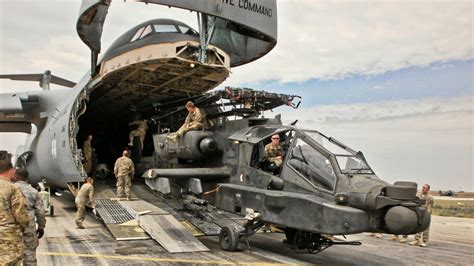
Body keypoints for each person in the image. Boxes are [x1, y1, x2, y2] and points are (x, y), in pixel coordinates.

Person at [15, 168, 46, 265]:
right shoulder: (33, 191)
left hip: (12, 226)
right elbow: (40, 212)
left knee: (11, 254)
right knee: (29, 254)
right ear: (27, 178)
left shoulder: (10, 189)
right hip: (29, 225)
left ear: (15, 177)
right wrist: (41, 227)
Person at [0, 160, 29, 265]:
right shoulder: (13, 188)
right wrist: (25, 225)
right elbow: (20, 214)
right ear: (11, 170)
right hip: (8, 236)